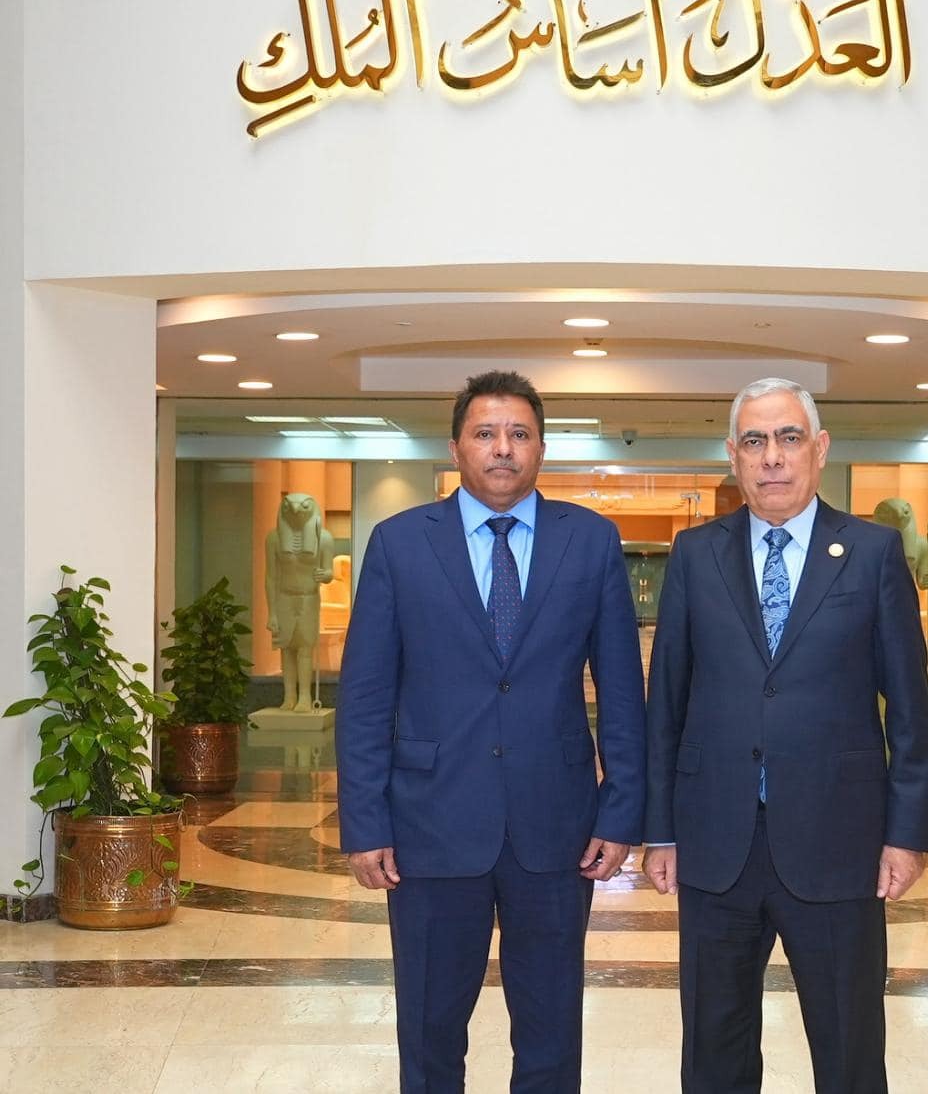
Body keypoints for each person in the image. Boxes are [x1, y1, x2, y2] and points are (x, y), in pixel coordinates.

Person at [335, 370, 646, 1094]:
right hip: (428, 826)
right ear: (456, 447)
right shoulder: (399, 544)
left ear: (541, 449)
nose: (502, 448)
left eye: (519, 434)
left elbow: (623, 691)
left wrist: (621, 809)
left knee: (551, 1031)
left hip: (558, 828)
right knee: (430, 1029)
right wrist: (365, 822)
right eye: (485, 433)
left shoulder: (590, 541)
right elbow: (366, 696)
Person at [643, 377, 928, 1093]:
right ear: (733, 456)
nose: (771, 456)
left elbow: (909, 708)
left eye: (788, 437)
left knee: (849, 1051)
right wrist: (660, 830)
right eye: (754, 441)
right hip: (716, 846)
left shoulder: (872, 552)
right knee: (714, 1053)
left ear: (820, 448)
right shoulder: (694, 555)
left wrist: (907, 834)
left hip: (840, 844)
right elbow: (666, 703)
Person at [265, 492, 335, 712]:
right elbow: (271, 577)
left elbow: (329, 572)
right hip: (284, 598)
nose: (296, 511)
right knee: (286, 648)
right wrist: (272, 613)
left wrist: (325, 575)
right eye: (290, 506)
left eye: (302, 506)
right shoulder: (274, 539)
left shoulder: (323, 538)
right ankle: (289, 695)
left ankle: (305, 696)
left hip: (308, 598)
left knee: (305, 648)